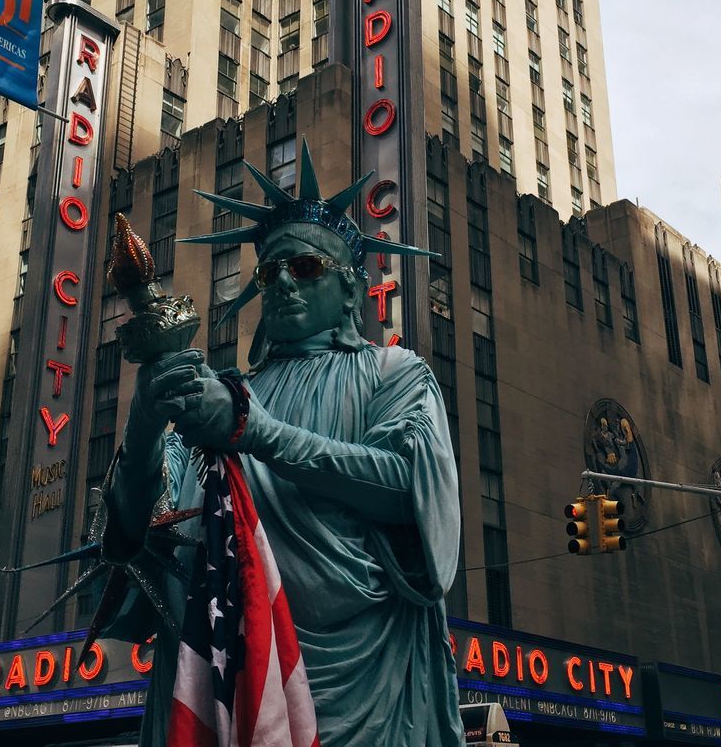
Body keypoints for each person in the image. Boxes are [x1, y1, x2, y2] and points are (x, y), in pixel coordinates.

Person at [101, 143, 463, 746]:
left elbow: (409, 487)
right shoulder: (217, 395)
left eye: (307, 268)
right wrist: (144, 420)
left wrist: (253, 430)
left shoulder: (393, 374)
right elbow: (127, 540)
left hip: (364, 694)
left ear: (351, 290)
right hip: (222, 686)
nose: (285, 283)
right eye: (270, 272)